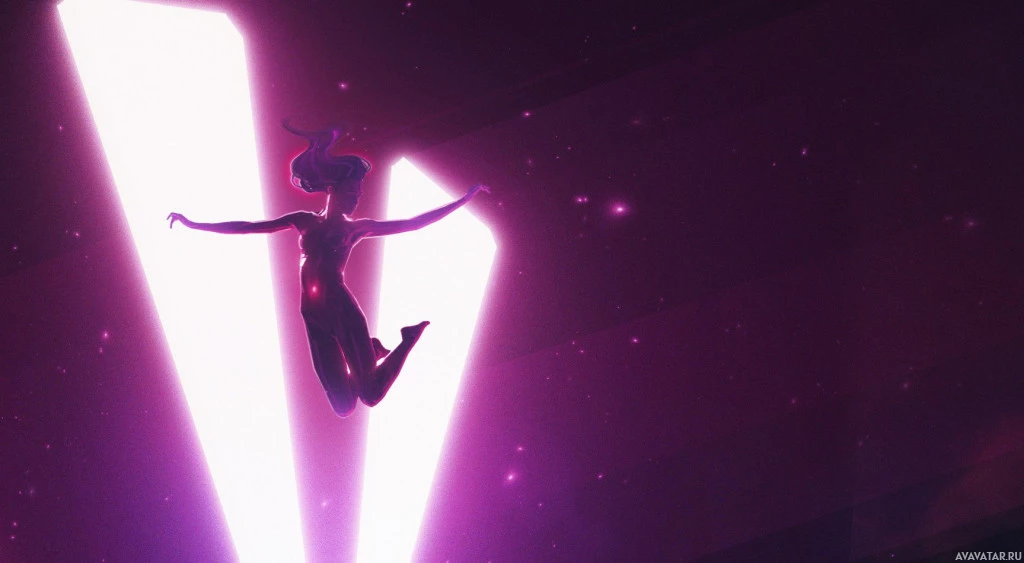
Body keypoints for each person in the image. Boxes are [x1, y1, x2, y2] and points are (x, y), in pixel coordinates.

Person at [167, 121, 489, 417]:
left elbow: (412, 223)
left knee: (370, 395)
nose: (357, 197)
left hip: (339, 306)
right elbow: (249, 227)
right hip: (311, 313)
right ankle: (368, 353)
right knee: (344, 406)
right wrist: (193, 223)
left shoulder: (355, 228)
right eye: (353, 190)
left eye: (359, 193)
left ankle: (407, 338)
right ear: (334, 188)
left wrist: (465, 199)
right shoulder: (304, 220)